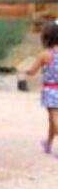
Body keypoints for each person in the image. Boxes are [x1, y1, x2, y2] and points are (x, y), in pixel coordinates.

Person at [26, 19, 58, 155]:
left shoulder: (44, 54)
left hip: (51, 90)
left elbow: (32, 71)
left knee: (55, 117)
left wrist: (25, 70)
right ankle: (48, 143)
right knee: (51, 119)